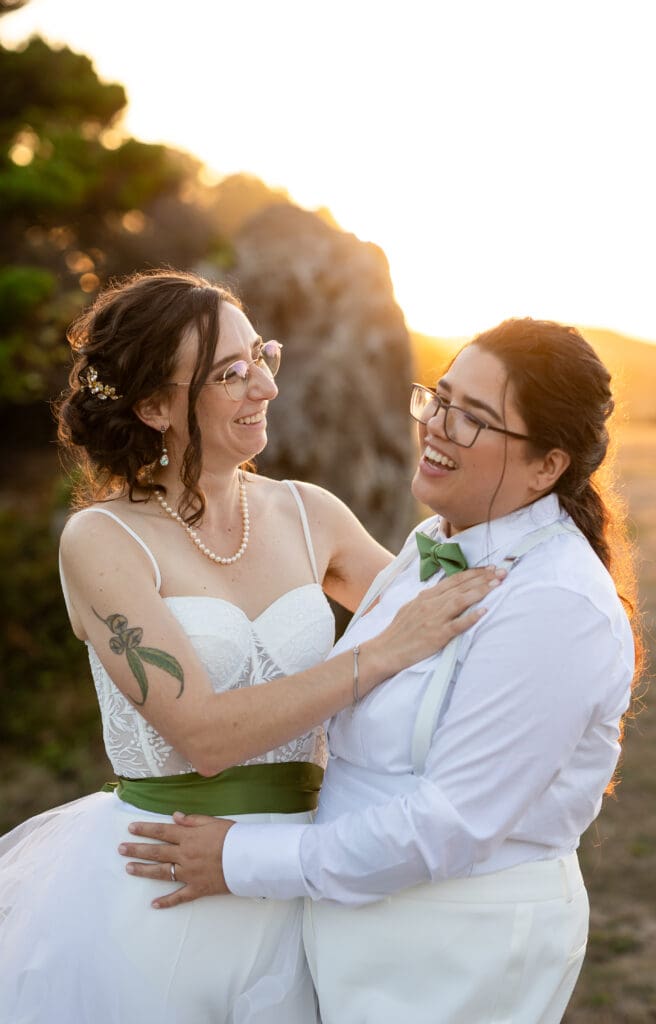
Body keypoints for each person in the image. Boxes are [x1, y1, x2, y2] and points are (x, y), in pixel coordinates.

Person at [0, 269, 500, 1024]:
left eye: (262, 357)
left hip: (310, 871)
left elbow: (448, 629)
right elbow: (201, 734)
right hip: (163, 885)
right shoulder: (103, 540)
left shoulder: (311, 514)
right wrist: (378, 654)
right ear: (155, 406)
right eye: (230, 374)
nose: (264, 387)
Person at [121, 318, 641, 1024]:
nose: (437, 428)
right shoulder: (436, 541)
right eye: (439, 399)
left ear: (545, 466)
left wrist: (242, 858)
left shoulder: (554, 603)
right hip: (358, 922)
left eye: (473, 421)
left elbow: (447, 824)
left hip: (457, 943)